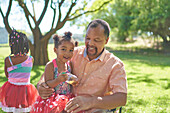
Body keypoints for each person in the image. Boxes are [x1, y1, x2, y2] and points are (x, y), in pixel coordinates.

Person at [38, 19, 127, 113]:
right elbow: (53, 67)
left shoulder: (115, 65)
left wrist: (90, 102)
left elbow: (121, 98)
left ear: (106, 40)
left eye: (96, 40)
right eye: (88, 38)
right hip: (64, 107)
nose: (90, 43)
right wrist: (41, 85)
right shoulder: (73, 53)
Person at [31, 32, 78, 113]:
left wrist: (74, 80)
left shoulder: (69, 64)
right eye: (63, 49)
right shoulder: (51, 65)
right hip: (54, 99)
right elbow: (48, 83)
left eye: (71, 50)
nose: (67, 53)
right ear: (55, 50)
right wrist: (58, 80)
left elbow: (70, 82)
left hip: (67, 97)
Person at [0, 29, 39, 113]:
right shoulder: (30, 59)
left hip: (10, 89)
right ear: (25, 44)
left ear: (12, 45)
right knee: (25, 108)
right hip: (26, 89)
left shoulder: (8, 60)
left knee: (10, 108)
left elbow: (8, 75)